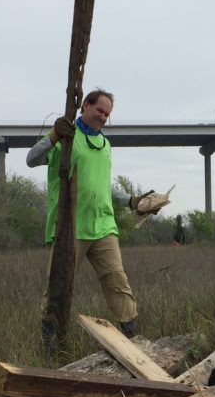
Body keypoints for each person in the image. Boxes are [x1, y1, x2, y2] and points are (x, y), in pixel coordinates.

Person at [27, 89, 152, 347]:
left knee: (117, 280)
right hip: (69, 227)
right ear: (85, 106)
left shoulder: (105, 145)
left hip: (103, 225)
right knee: (59, 285)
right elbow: (31, 159)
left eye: (107, 114)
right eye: (100, 110)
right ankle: (52, 344)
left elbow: (102, 186)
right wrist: (53, 136)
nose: (103, 117)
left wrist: (132, 200)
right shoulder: (66, 138)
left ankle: (132, 339)